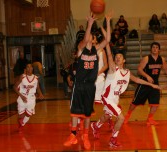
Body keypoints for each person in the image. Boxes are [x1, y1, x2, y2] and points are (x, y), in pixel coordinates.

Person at [91, 28, 161, 147]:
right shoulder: (113, 69)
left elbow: (138, 80)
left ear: (124, 60)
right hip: (107, 98)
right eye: (116, 57)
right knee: (121, 118)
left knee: (107, 116)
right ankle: (113, 140)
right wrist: (106, 38)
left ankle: (95, 126)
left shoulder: (127, 72)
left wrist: (151, 84)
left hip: (115, 99)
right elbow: (108, 54)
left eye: (120, 57)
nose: (117, 58)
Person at [63, 13, 110, 150]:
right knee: (75, 112)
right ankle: (72, 135)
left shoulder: (97, 50)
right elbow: (84, 38)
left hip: (90, 85)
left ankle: (85, 136)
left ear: (94, 40)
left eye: (91, 36)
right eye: (88, 36)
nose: (89, 37)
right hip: (79, 85)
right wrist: (89, 24)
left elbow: (107, 39)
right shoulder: (81, 49)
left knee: (88, 113)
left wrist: (107, 21)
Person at [124, 42, 167, 125]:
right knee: (135, 102)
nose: (155, 49)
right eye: (153, 47)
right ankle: (127, 116)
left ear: (159, 50)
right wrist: (147, 76)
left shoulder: (162, 59)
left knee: (155, 103)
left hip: (155, 84)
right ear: (151, 49)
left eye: (157, 47)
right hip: (144, 83)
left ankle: (150, 118)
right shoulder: (146, 58)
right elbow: (139, 70)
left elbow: (166, 69)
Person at [13, 62, 44, 132]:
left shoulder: (36, 78)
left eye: (31, 67)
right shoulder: (22, 77)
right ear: (25, 69)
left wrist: (40, 94)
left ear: (33, 69)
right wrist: (21, 96)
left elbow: (38, 88)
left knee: (28, 114)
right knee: (20, 116)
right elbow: (14, 87)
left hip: (31, 98)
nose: (29, 68)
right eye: (28, 67)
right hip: (22, 97)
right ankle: (21, 124)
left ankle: (22, 123)